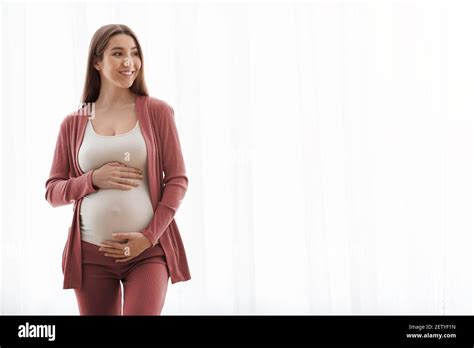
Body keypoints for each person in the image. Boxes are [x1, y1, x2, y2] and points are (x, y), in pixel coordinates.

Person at [44, 24, 191, 315]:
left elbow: (177, 180)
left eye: (134, 54)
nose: (129, 62)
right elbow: (53, 192)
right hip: (90, 254)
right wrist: (92, 180)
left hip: (147, 252)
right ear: (96, 62)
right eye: (118, 53)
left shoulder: (156, 111)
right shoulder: (75, 122)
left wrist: (150, 236)